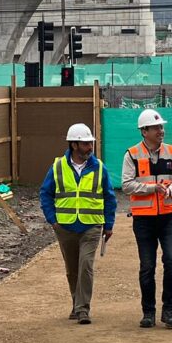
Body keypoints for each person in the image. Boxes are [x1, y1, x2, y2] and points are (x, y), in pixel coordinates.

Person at [39, 123, 117, 324]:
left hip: (91, 226)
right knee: (72, 269)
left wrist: (109, 224)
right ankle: (76, 303)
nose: (90, 147)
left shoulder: (99, 167)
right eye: (85, 144)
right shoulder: (58, 167)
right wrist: (53, 220)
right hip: (65, 227)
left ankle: (83, 309)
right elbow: (45, 193)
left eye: (90, 143)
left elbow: (109, 197)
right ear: (74, 145)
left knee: (85, 266)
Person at [121, 108, 172, 329]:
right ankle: (148, 312)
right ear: (144, 131)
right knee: (147, 266)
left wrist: (170, 190)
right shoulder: (131, 154)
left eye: (161, 127)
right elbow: (127, 184)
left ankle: (169, 310)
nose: (161, 131)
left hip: (169, 217)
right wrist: (151, 188)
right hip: (143, 219)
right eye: (156, 127)